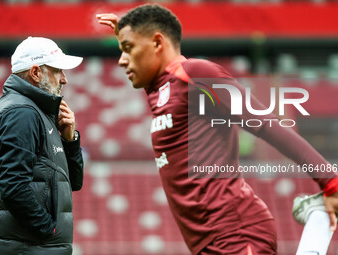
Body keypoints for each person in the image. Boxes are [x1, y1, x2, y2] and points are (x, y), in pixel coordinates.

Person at [96, 5, 338, 254]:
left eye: (127, 48)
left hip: (235, 232)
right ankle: (317, 223)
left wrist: (329, 181)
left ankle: (318, 223)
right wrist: (128, 38)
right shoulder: (159, 89)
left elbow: (266, 124)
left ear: (157, 43)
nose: (121, 59)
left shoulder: (197, 75)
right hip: (209, 242)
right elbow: (156, 75)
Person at [0, 36, 84, 255]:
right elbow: (13, 186)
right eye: (57, 71)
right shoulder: (22, 113)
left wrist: (69, 139)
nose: (64, 79)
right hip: (28, 247)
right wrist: (48, 229)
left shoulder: (36, 112)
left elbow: (72, 183)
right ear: (35, 73)